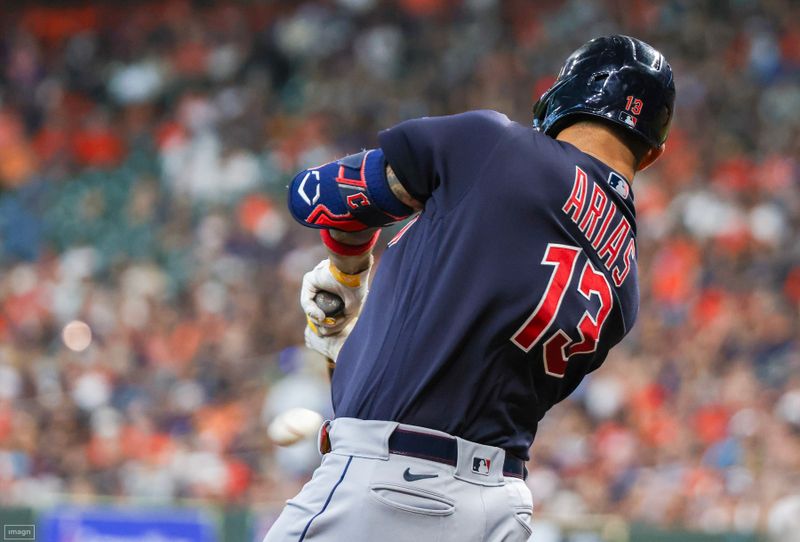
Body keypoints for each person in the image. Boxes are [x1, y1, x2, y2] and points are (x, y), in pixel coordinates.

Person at [266, 35, 675, 542]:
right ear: (652, 153)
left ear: (559, 99)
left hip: (389, 487)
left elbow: (316, 196)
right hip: (498, 509)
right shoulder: (626, 284)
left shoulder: (496, 146)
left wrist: (348, 271)